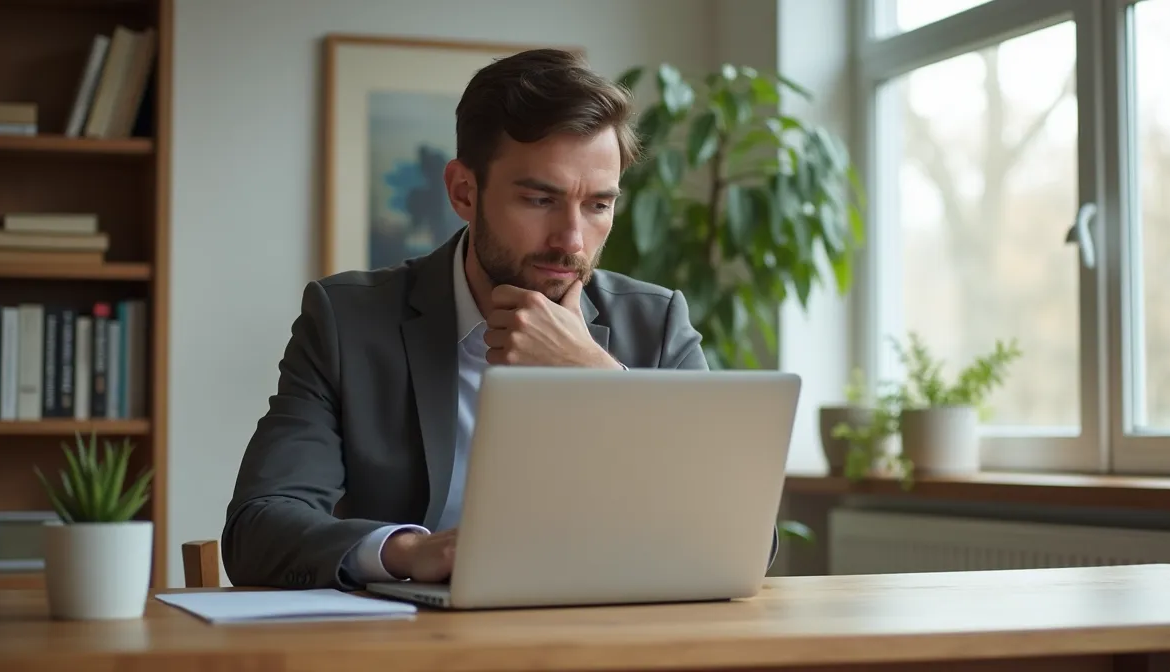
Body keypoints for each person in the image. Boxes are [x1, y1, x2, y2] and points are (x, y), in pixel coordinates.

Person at [222, 48, 778, 590]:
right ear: (464, 191)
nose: (571, 240)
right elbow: (259, 527)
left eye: (598, 205)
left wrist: (602, 385)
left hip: (608, 639)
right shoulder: (348, 322)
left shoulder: (654, 327)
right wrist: (414, 551)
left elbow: (747, 538)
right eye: (539, 200)